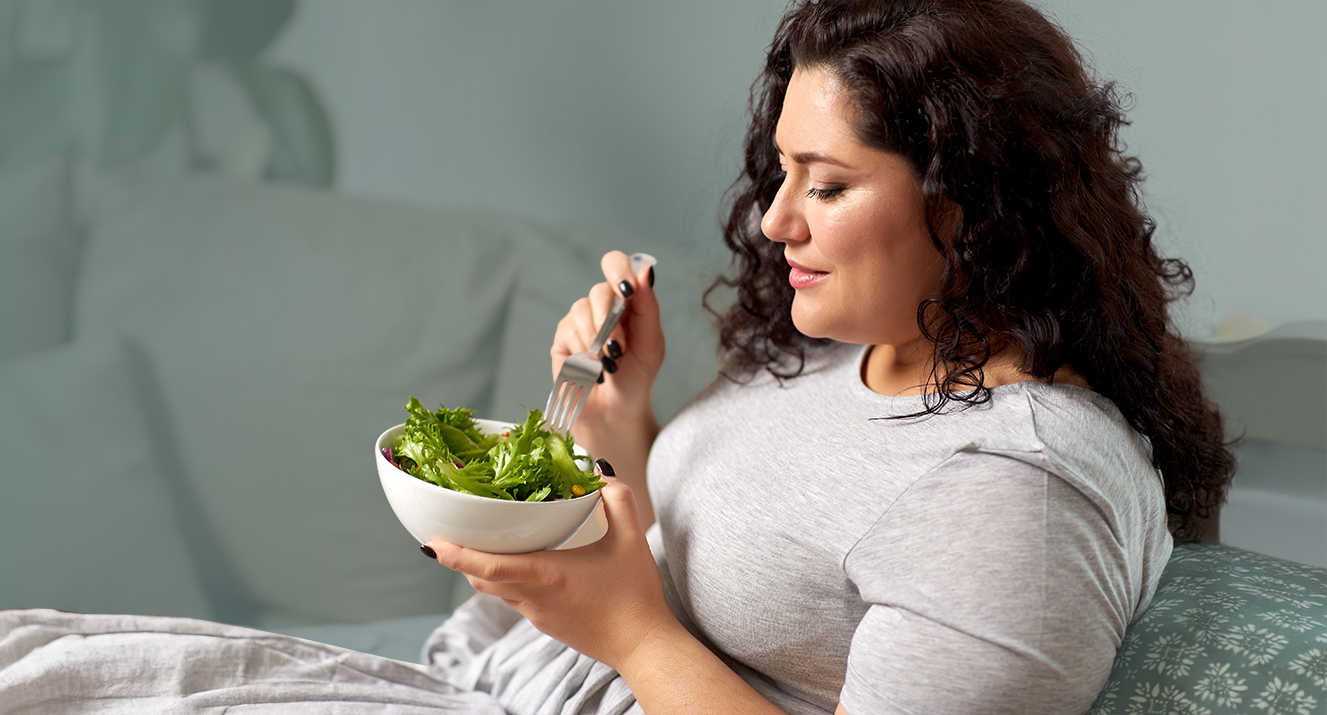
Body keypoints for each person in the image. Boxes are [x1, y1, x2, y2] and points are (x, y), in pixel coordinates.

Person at [419, 0, 1235, 713]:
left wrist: (631, 636)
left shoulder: (1017, 492)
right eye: (783, 171)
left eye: (828, 186)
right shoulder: (865, 337)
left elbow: (650, 618)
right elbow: (683, 547)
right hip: (491, 674)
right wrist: (622, 410)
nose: (774, 221)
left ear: (970, 204)